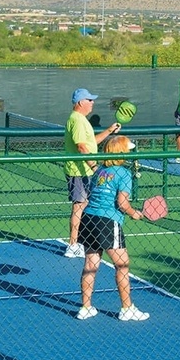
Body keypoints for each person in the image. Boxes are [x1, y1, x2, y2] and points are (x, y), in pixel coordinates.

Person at [75, 136, 150, 322]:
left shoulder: (100, 170)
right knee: (123, 265)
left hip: (88, 219)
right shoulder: (124, 174)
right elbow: (122, 204)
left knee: (90, 265)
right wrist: (134, 213)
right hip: (107, 222)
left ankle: (85, 307)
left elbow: (94, 172)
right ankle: (127, 308)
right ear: (121, 152)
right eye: (128, 149)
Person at [64, 88, 122, 258]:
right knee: (79, 205)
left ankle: (81, 241)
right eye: (89, 100)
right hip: (79, 170)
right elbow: (81, 147)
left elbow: (91, 143)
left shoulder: (81, 120)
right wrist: (95, 166)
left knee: (86, 204)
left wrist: (109, 131)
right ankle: (73, 245)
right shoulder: (78, 120)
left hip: (85, 169)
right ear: (81, 102)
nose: (92, 103)